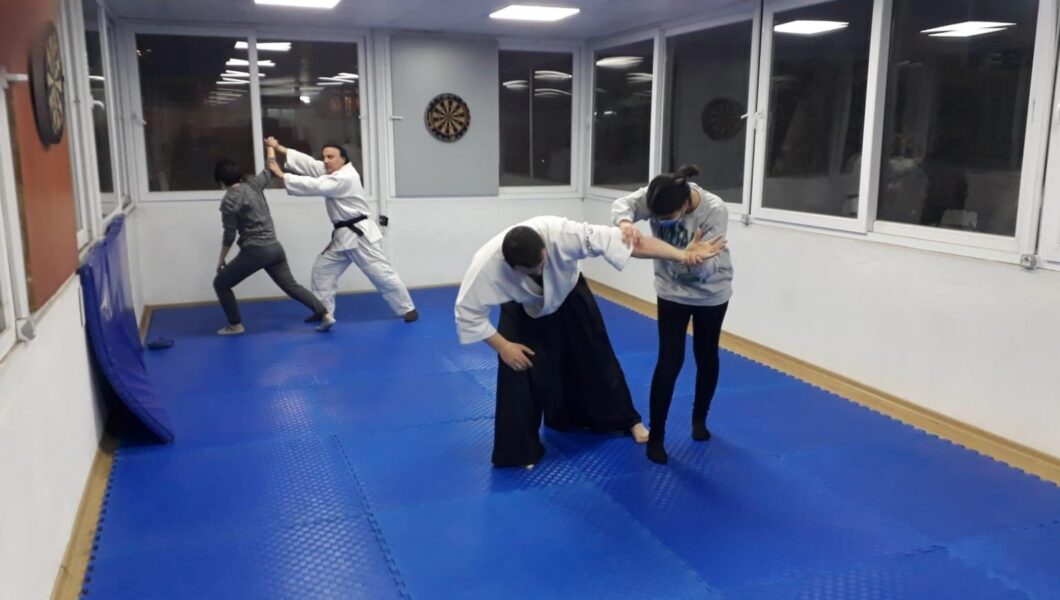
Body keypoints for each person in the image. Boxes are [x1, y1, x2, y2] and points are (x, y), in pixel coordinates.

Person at [455, 216, 726, 467]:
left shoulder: (563, 234)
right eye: (532, 270)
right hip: (521, 306)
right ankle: (519, 451)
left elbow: (633, 243)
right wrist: (503, 346)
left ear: (545, 248)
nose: (540, 271)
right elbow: (467, 313)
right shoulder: (487, 266)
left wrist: (683, 254)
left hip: (569, 290)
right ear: (511, 267)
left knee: (597, 354)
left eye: (542, 263)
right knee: (517, 367)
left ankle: (626, 420)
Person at [612, 165, 734, 464]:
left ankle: (699, 419)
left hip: (711, 293)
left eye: (668, 218)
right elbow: (623, 204)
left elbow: (710, 265)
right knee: (669, 360)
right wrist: (625, 223)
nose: (662, 223)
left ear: (684, 205)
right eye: (658, 218)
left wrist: (694, 259)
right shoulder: (657, 195)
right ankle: (657, 436)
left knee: (706, 354)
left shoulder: (714, 210)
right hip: (671, 293)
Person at [264, 136, 417, 331]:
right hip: (343, 237)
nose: (326, 161)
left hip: (359, 236)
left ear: (343, 159)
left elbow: (316, 185)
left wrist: (281, 175)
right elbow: (310, 164)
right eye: (324, 157)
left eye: (331, 157)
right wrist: (279, 147)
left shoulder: (346, 177)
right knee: (322, 270)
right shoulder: (332, 171)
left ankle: (408, 308)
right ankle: (324, 311)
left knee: (381, 273)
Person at [212, 158, 327, 336]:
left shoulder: (229, 200)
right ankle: (326, 314)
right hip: (275, 248)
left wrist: (221, 259)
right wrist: (271, 148)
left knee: (220, 283)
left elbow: (229, 234)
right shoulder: (253, 184)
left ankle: (235, 325)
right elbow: (270, 169)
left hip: (256, 251)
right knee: (291, 286)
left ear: (221, 182)